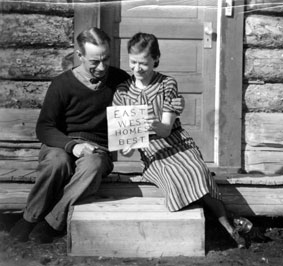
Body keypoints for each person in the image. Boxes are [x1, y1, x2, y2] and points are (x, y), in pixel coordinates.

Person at [9, 27, 184, 244]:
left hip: (98, 149)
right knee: (57, 162)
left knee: (92, 165)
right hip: (62, 144)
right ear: (79, 55)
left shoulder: (121, 82)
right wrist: (72, 146)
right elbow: (44, 128)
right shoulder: (61, 84)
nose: (101, 67)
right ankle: (29, 217)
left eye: (106, 59)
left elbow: (146, 103)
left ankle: (53, 222)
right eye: (94, 61)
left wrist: (175, 106)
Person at [112, 32, 253, 249]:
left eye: (143, 63)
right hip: (152, 152)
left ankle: (228, 229)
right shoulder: (122, 92)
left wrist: (152, 123)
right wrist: (128, 143)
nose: (137, 69)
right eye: (132, 62)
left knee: (196, 170)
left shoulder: (167, 84)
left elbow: (166, 129)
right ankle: (229, 219)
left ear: (155, 60)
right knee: (175, 177)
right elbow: (127, 149)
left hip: (177, 143)